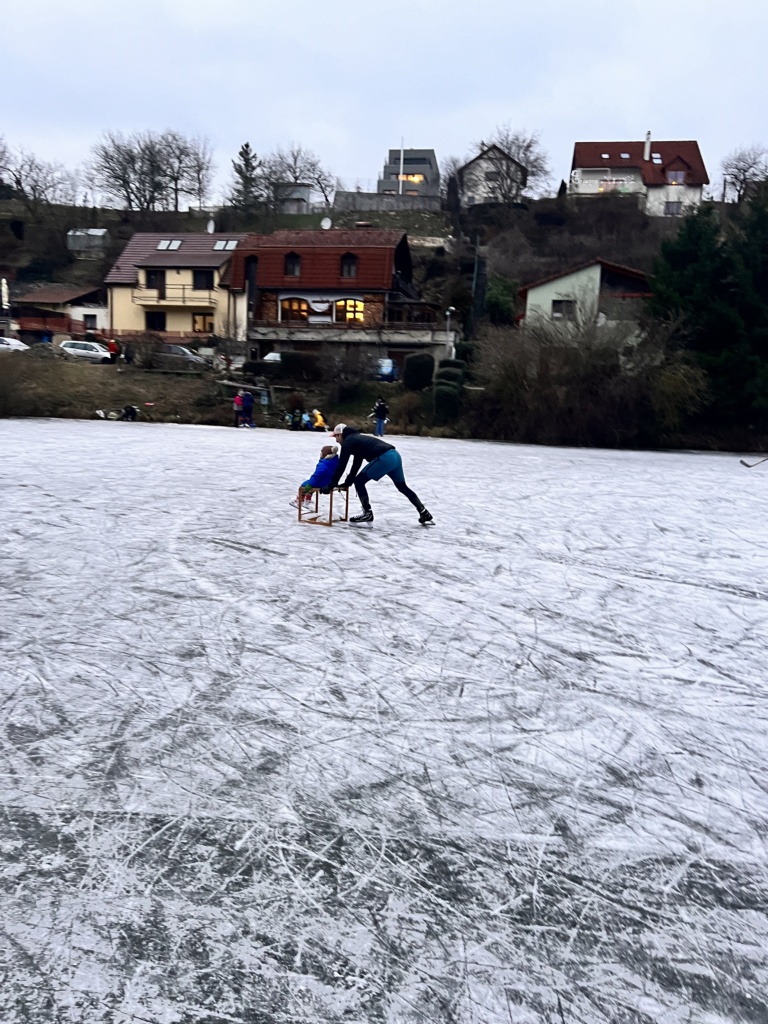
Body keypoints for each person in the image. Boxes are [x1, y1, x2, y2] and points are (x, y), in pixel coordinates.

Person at [326, 423, 432, 525]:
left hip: (384, 458)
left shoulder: (348, 441)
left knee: (359, 481)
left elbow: (342, 464)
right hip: (395, 456)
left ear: (340, 434)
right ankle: (423, 511)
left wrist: (332, 484)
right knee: (402, 486)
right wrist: (348, 482)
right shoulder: (357, 438)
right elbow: (357, 462)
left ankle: (367, 513)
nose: (336, 440)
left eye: (336, 437)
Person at [290, 444, 340, 510]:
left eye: (321, 452)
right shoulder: (336, 462)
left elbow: (316, 476)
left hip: (321, 483)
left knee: (304, 486)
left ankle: (299, 500)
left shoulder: (323, 464)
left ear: (325, 454)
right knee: (312, 486)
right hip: (329, 482)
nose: (320, 454)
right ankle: (307, 500)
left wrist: (309, 485)